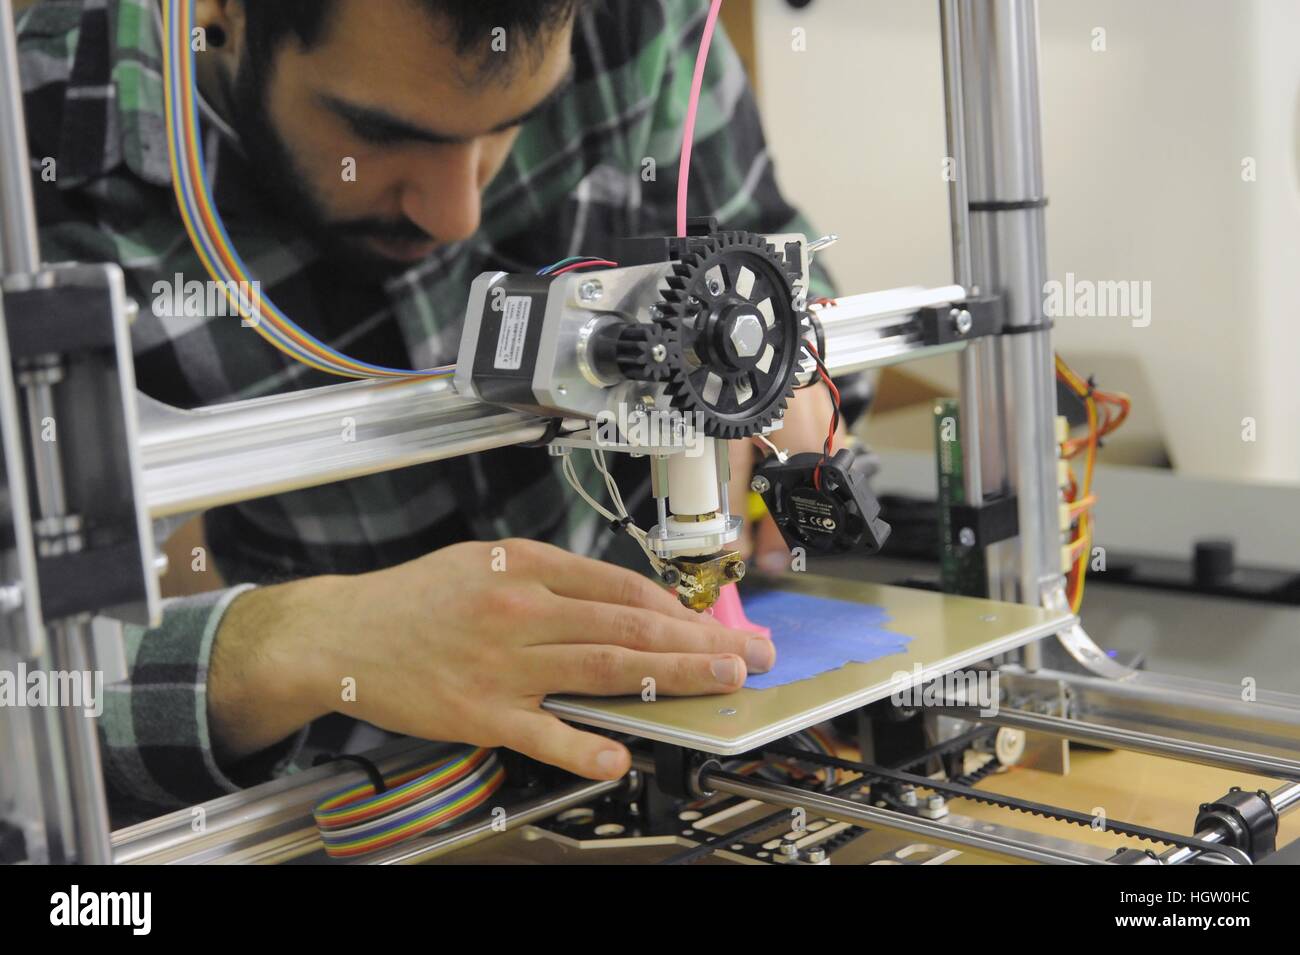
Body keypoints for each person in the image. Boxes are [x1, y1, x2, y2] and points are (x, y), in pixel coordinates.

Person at [18, 0, 857, 820]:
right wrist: (297, 642)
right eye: (383, 133)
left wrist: (790, 389)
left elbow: (780, 270)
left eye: (515, 122)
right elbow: (24, 690)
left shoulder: (643, 18)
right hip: (355, 799)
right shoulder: (35, 148)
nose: (457, 213)